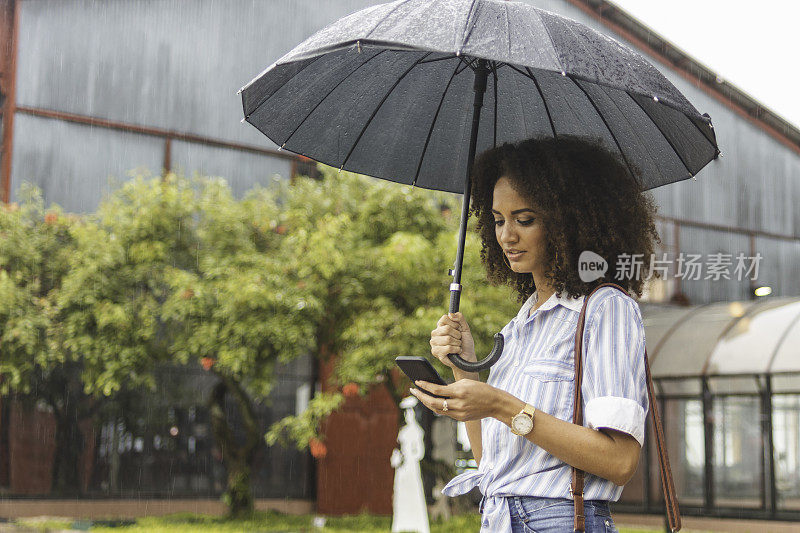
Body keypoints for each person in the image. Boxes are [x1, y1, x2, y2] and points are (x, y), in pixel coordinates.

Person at [409, 136, 661, 532]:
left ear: (568, 222)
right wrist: (465, 370)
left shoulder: (604, 309)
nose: (507, 235)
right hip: (500, 517)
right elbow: (492, 462)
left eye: (524, 219)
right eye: (497, 220)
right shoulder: (522, 325)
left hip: (559, 520)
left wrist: (499, 405)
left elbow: (620, 461)